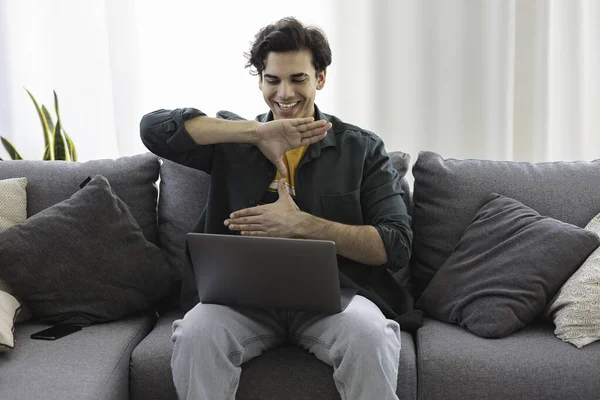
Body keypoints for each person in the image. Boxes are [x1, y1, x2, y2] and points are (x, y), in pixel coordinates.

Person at [140, 16, 415, 400]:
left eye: (298, 78)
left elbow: (395, 244)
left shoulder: (362, 149)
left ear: (320, 78)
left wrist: (303, 225)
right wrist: (255, 133)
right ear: (260, 81)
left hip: (338, 301)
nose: (284, 93)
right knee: (195, 333)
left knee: (370, 333)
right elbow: (153, 128)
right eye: (272, 80)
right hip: (240, 304)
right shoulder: (234, 142)